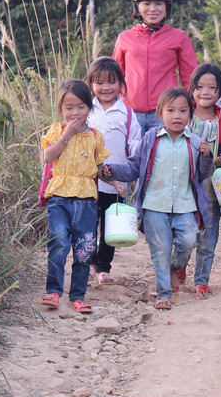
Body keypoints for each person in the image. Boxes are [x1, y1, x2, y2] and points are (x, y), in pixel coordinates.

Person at [102, 88, 214, 310]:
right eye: (171, 110)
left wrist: (207, 157)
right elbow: (135, 167)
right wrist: (111, 171)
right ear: (160, 113)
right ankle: (163, 293)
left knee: (188, 241)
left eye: (183, 111)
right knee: (160, 249)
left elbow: (202, 175)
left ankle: (175, 268)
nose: (177, 116)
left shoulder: (194, 142)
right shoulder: (150, 139)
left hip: (185, 205)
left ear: (190, 115)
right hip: (153, 205)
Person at [40, 79, 109, 314]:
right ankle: (53, 292)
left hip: (87, 201)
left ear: (89, 107)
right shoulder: (56, 130)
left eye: (81, 106)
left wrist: (112, 178)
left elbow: (98, 167)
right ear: (61, 109)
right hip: (59, 198)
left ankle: (78, 296)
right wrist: (66, 135)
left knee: (85, 249)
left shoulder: (95, 136)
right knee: (58, 242)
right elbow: (48, 156)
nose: (75, 112)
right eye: (69, 107)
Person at [182, 63, 221, 299]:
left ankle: (202, 280)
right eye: (199, 86)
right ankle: (178, 268)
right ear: (192, 89)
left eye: (212, 87)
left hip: (211, 192)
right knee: (183, 235)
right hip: (183, 189)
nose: (205, 92)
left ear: (220, 93)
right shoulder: (183, 114)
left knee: (208, 236)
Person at [112, 0, 198, 133]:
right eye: (146, 3)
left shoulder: (179, 37)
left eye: (159, 4)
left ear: (167, 7)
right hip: (130, 113)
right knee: (132, 157)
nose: (153, 9)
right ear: (137, 7)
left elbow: (189, 75)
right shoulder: (124, 38)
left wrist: (190, 107)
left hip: (165, 113)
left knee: (161, 157)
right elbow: (115, 76)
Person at [85, 57, 142, 286]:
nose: (106, 88)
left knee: (110, 227)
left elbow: (135, 144)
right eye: (99, 82)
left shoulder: (127, 114)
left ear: (121, 84)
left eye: (112, 82)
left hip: (116, 181)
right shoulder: (87, 110)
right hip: (87, 181)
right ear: (91, 84)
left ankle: (103, 268)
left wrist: (131, 170)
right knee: (88, 225)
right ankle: (88, 263)